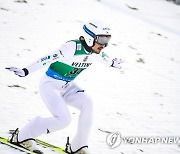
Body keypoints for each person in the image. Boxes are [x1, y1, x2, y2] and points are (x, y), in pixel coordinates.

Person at [6, 20, 122, 154]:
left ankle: (78, 146)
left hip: (67, 86)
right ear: (90, 37)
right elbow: (47, 58)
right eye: (101, 39)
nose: (104, 44)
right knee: (64, 120)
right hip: (50, 85)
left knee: (88, 103)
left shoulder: (96, 52)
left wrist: (112, 63)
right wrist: (26, 71)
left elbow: (105, 58)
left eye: (107, 39)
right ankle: (22, 137)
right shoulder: (72, 47)